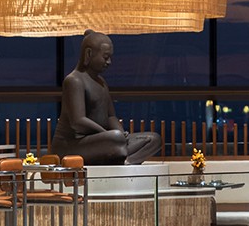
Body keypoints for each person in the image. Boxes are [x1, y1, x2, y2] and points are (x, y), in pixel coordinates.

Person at [48, 30, 163, 165]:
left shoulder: (101, 82)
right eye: (105, 57)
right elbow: (78, 122)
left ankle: (126, 162)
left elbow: (110, 117)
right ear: (89, 54)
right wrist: (107, 134)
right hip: (73, 145)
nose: (109, 62)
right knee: (115, 139)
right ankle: (119, 156)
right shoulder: (74, 80)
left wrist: (121, 133)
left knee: (153, 139)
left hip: (104, 141)